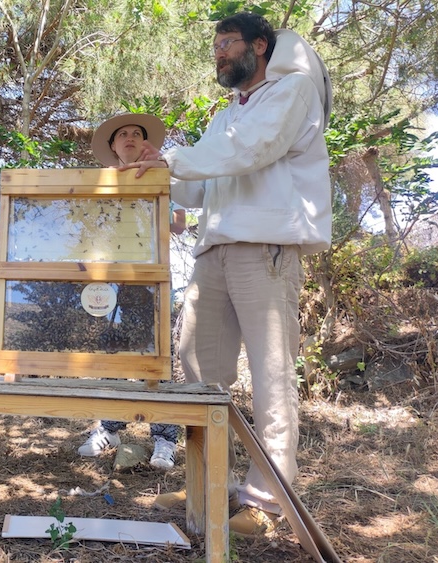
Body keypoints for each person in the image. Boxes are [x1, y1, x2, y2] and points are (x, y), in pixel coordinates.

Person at [123, 13, 332, 536]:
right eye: (214, 45)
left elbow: (253, 150)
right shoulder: (224, 116)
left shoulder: (293, 90)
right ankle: (206, 484)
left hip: (266, 247)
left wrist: (175, 159)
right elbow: (200, 188)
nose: (218, 52)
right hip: (213, 250)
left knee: (271, 376)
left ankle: (265, 500)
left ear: (260, 46)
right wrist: (157, 169)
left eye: (227, 43)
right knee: (197, 371)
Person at [77, 113, 186, 469]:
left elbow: (178, 227)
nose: (129, 138)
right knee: (111, 354)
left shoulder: (162, 176)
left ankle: (164, 439)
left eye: (136, 133)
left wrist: (169, 208)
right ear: (112, 145)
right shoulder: (100, 183)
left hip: (150, 278)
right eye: (122, 134)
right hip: (109, 281)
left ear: (145, 142)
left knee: (155, 357)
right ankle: (110, 428)